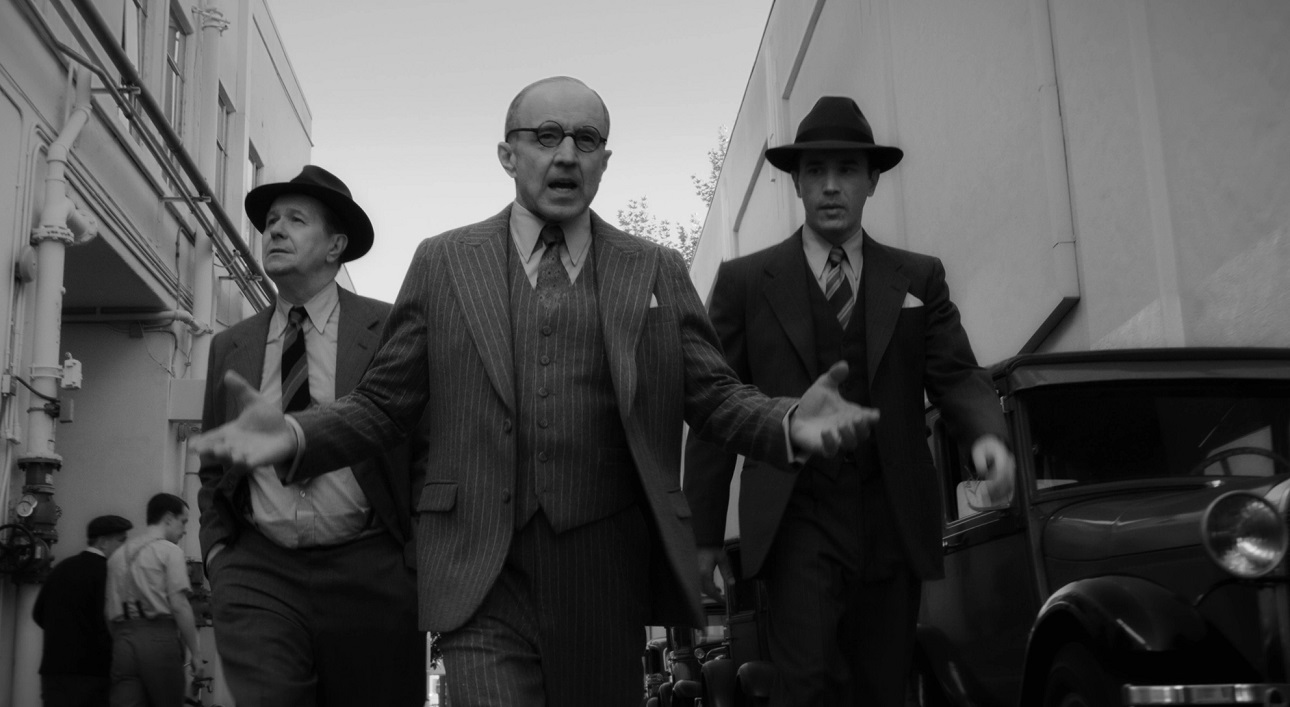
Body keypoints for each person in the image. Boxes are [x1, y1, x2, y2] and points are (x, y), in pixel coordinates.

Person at [192, 76, 878, 707]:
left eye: (587, 140)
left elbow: (715, 394)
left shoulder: (654, 269)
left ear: (605, 161)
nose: (567, 154)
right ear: (507, 154)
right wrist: (299, 432)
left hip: (602, 568)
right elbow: (383, 402)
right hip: (479, 569)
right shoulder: (443, 262)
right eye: (546, 136)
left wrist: (787, 422)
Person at [683, 95, 1016, 707]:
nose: (831, 186)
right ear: (796, 182)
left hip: (893, 516)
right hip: (796, 518)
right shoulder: (744, 283)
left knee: (883, 688)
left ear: (872, 181)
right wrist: (702, 536)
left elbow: (957, 374)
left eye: (847, 171)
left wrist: (988, 438)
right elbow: (713, 409)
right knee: (806, 686)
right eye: (815, 171)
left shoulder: (918, 278)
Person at [197, 165, 424, 706]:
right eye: (272, 220)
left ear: (335, 246)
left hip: (371, 570)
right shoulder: (230, 346)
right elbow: (214, 469)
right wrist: (219, 555)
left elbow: (424, 450)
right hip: (260, 568)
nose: (275, 229)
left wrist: (413, 564)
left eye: (296, 220)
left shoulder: (390, 329)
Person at [105, 493, 205, 707]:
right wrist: (196, 654)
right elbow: (179, 605)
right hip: (159, 639)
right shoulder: (170, 551)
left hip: (123, 641)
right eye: (183, 521)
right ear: (168, 518)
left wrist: (123, 637)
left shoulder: (117, 557)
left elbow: (108, 612)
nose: (185, 529)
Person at [32, 515, 133, 707]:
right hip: (94, 673)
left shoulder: (62, 568)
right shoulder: (109, 574)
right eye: (121, 541)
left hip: (54, 672)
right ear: (103, 542)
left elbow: (38, 614)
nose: (125, 549)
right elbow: (111, 622)